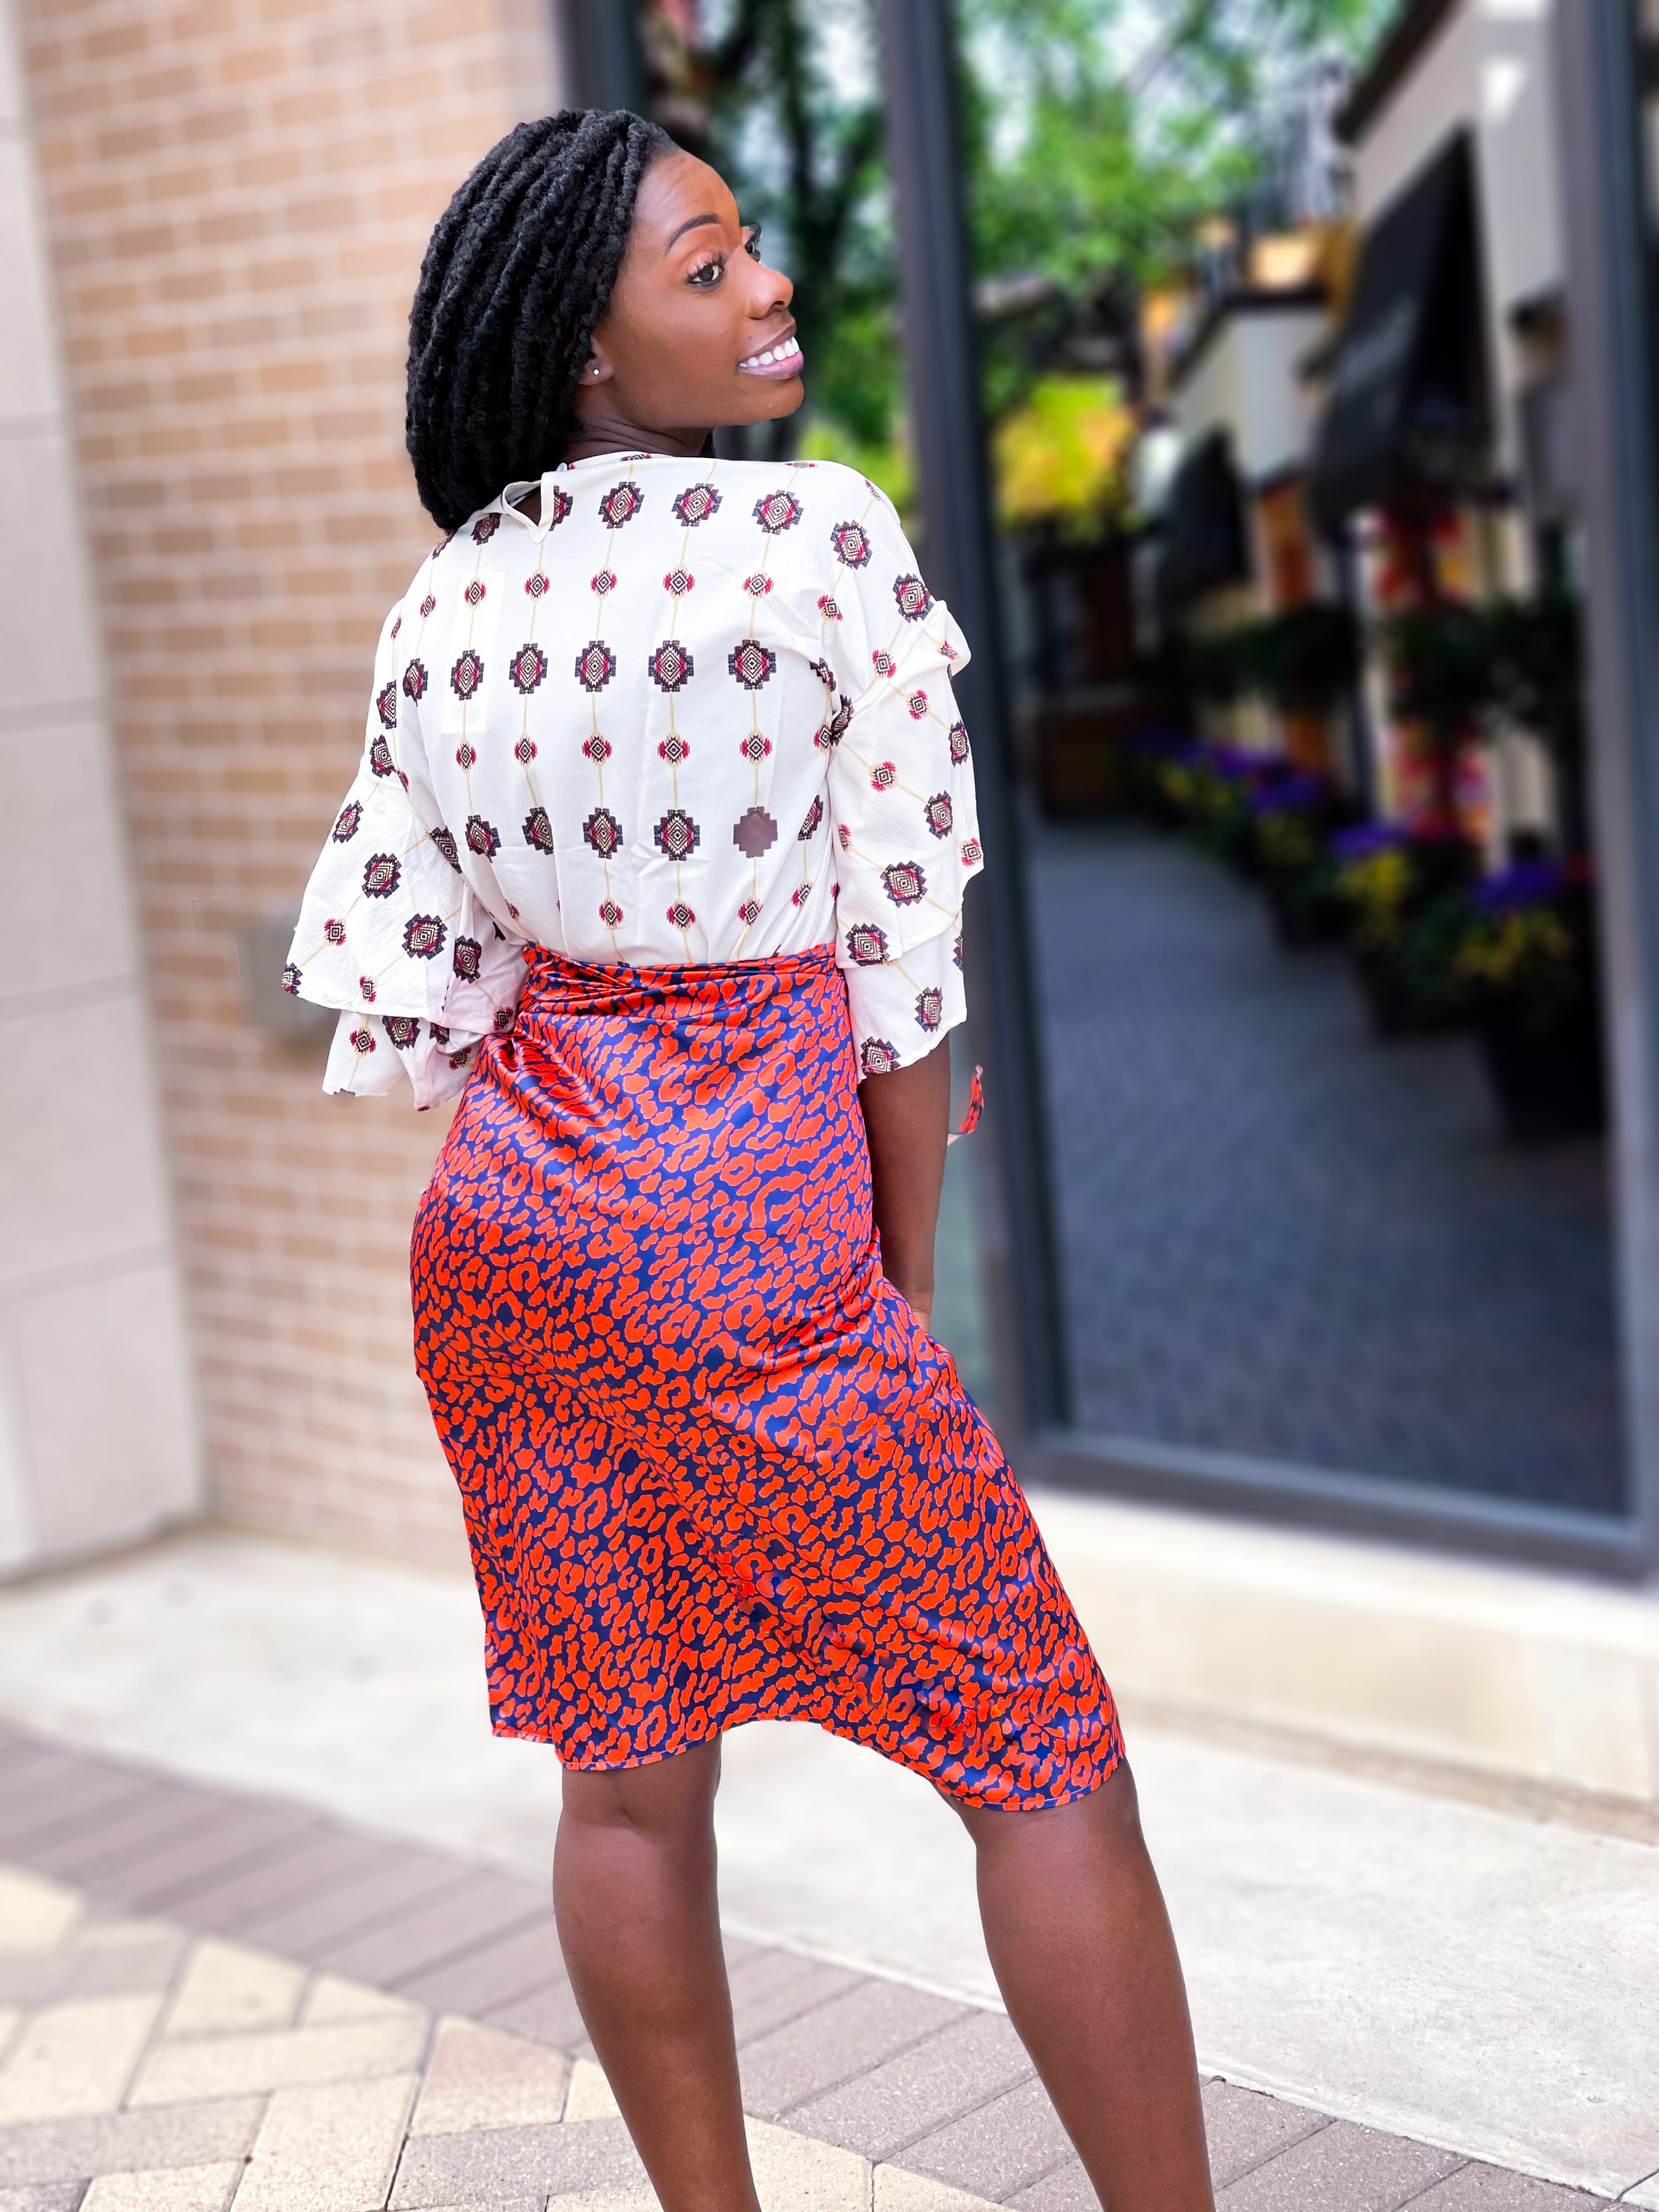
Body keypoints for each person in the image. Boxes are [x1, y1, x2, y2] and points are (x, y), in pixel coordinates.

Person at [287, 106, 1215, 2212]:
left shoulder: (443, 609)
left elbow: (421, 999)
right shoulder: (820, 547)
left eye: (748, 248)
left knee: (628, 1802)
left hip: (512, 1247)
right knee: (1036, 1750)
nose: (768, 282)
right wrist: (878, 1279)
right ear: (595, 354)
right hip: (756, 1241)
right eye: (705, 268)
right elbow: (904, 982)